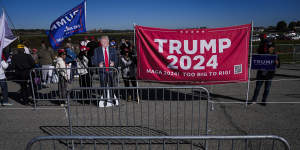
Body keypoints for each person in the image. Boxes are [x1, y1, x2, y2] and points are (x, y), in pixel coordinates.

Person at [248, 41, 280, 106]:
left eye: (271, 47)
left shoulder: (275, 55)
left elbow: (278, 65)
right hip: (261, 74)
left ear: (273, 48)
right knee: (257, 88)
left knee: (267, 88)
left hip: (270, 75)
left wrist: (277, 63)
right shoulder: (262, 54)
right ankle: (254, 100)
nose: (269, 48)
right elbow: (256, 61)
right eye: (268, 47)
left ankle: (264, 100)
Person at [92, 35, 117, 101]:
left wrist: (114, 63)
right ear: (100, 42)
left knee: (112, 85)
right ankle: (105, 99)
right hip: (102, 71)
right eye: (102, 41)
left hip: (111, 71)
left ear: (108, 41)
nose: (104, 42)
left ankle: (112, 98)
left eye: (105, 41)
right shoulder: (97, 50)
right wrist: (98, 64)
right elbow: (94, 60)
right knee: (103, 85)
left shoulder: (113, 49)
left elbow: (117, 59)